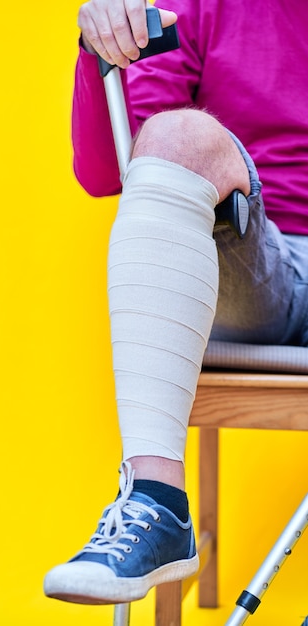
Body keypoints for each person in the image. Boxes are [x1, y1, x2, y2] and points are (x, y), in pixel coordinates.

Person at [44, 0, 308, 605]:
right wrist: (101, 53)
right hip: (253, 271)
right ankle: (158, 505)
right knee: (174, 133)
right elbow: (106, 171)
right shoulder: (200, 6)